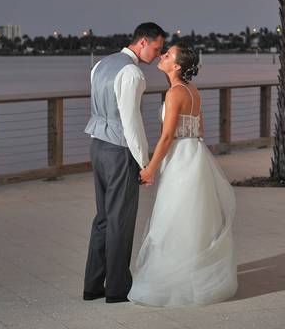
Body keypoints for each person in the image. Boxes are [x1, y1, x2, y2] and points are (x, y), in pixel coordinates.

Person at [128, 44, 238, 306]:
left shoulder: (174, 92)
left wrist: (150, 168)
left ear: (176, 66)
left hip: (179, 157)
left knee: (174, 216)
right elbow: (200, 126)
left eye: (168, 55)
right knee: (193, 216)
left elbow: (167, 136)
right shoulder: (193, 90)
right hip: (195, 154)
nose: (163, 55)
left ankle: (175, 277)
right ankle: (196, 272)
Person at [82, 22, 166, 303]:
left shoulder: (101, 65)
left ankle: (93, 286)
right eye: (156, 48)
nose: (157, 55)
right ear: (142, 42)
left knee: (103, 218)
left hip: (97, 146)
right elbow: (132, 122)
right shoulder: (132, 73)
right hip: (119, 150)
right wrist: (145, 163)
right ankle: (117, 289)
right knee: (121, 219)